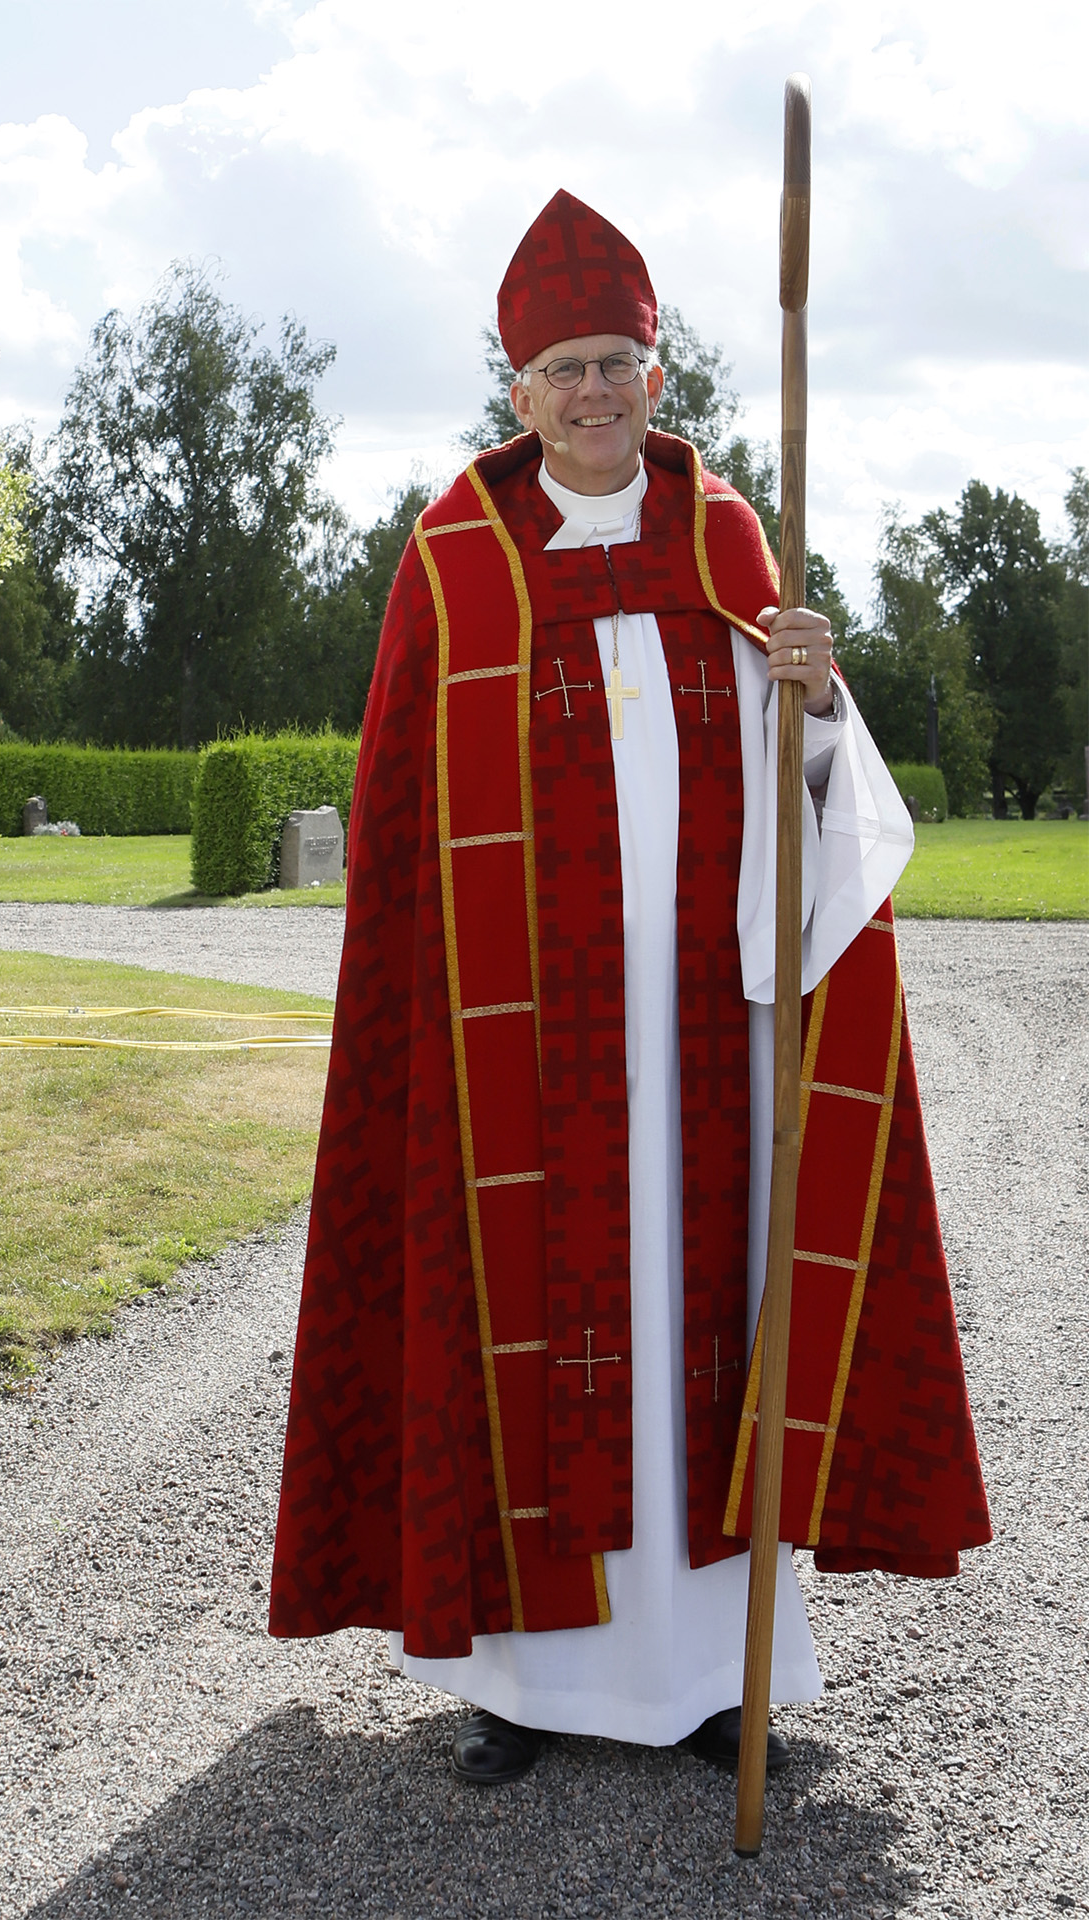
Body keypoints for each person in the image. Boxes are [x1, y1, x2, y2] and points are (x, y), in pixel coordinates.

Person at [268, 191, 989, 1785]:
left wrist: (814, 695)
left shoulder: (728, 539)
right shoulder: (454, 557)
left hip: (711, 1038)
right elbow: (402, 842)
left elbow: (822, 808)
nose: (591, 394)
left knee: (714, 1321)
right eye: (559, 369)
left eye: (616, 363)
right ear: (514, 389)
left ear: (660, 376)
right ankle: (524, 1689)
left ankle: (721, 1674)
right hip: (524, 1057)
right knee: (529, 1332)